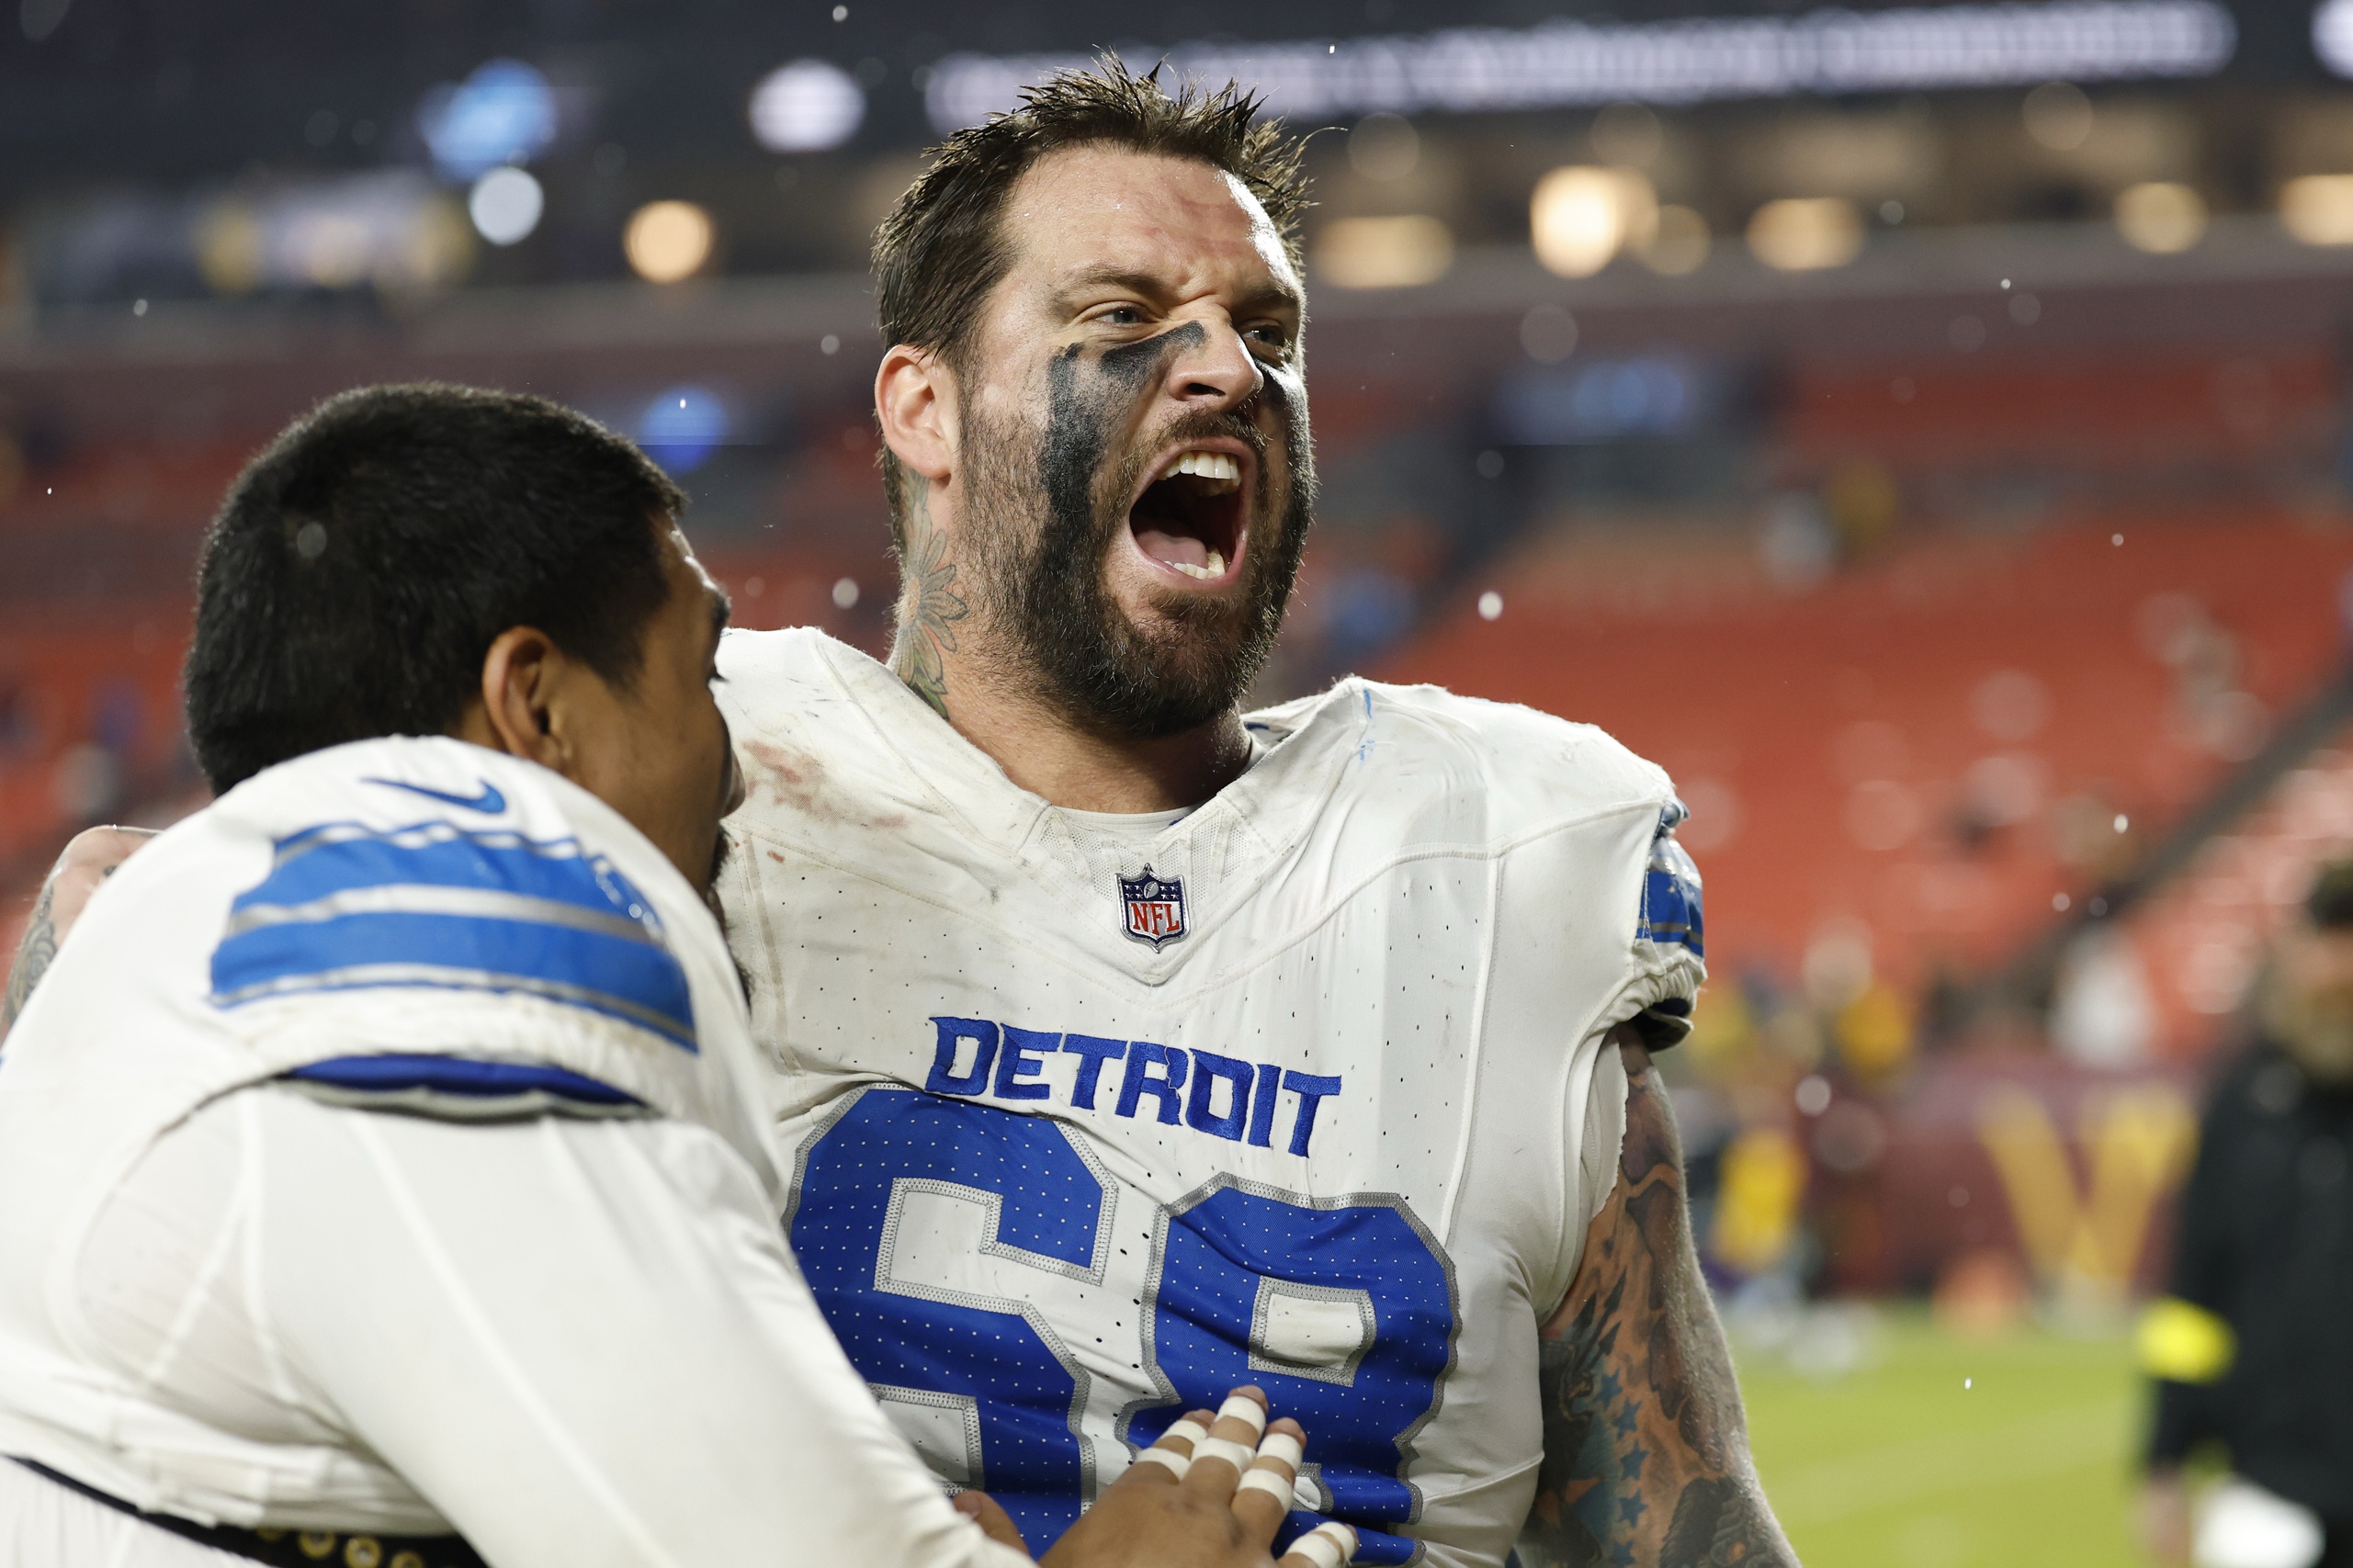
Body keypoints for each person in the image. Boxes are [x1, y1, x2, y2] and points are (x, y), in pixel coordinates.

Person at [711, 64, 1795, 1567]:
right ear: (925, 409)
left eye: (1266, 329)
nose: (1226, 365)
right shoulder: (711, 792)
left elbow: (1690, 1523)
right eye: (1122, 318)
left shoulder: (1496, 867)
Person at [0, 384, 1329, 1568]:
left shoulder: (205, 916)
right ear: (537, 706)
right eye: (694, 673)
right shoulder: (460, 934)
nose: (737, 764)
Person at [2138, 860, 2353, 1568]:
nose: (2341, 967)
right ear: (2295, 952)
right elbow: (2193, 1293)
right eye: (2330, 937)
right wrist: (2163, 1457)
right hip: (2268, 1489)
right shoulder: (2243, 1099)